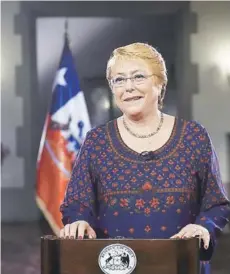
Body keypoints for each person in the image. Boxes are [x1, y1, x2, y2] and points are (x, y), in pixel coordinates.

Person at [60, 42, 230, 274]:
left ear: (159, 83)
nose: (128, 87)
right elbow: (76, 204)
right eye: (119, 80)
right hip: (115, 268)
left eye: (138, 77)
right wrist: (79, 221)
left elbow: (216, 204)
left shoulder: (194, 137)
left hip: (181, 266)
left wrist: (203, 228)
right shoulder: (96, 142)